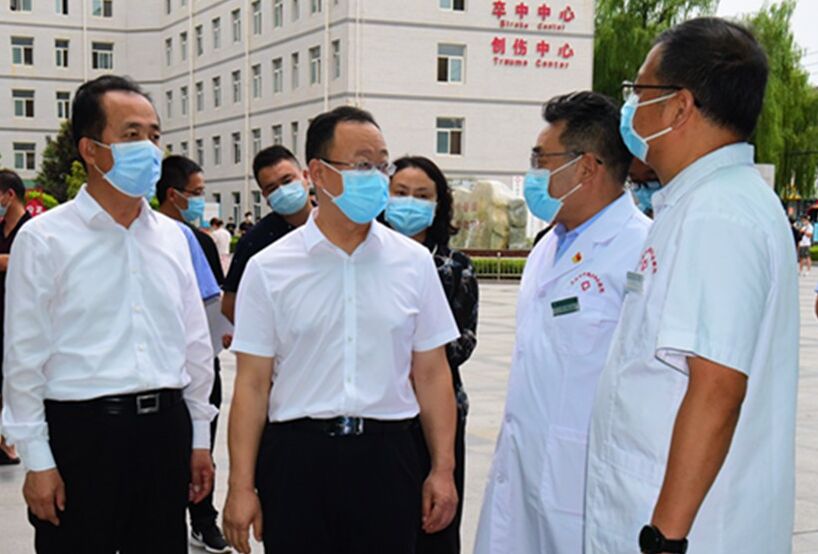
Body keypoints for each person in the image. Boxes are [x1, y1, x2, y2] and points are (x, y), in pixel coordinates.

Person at [585, 18, 797, 554]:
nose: (630, 107)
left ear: (679, 107)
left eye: (639, 91)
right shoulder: (704, 203)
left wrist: (665, 539)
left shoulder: (717, 214)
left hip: (686, 530)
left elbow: (717, 387)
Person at [222, 106, 461, 554]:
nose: (377, 178)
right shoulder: (269, 268)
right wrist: (240, 486)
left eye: (382, 165)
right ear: (318, 173)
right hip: (297, 461)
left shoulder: (413, 263)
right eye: (363, 165)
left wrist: (442, 470)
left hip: (388, 457)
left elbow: (432, 373)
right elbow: (252, 385)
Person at [1, 74, 217, 553]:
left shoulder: (173, 238)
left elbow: (195, 345)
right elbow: (23, 358)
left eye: (154, 135)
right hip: (82, 436)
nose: (150, 149)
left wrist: (199, 438)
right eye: (132, 135)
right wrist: (38, 459)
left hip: (164, 431)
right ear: (91, 150)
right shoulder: (45, 239)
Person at [474, 91, 650, 554]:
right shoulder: (548, 246)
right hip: (524, 467)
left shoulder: (643, 251)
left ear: (587, 167)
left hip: (587, 481)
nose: (534, 173)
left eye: (541, 160)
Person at [384, 156, 479, 554]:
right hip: (381, 414)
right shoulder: (368, 258)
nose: (410, 202)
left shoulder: (454, 267)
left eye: (422, 195)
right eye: (401, 193)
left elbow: (464, 339)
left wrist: (415, 353)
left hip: (437, 410)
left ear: (439, 204)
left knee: (435, 522)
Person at [156, 156, 230, 553]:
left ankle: (202, 518)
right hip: (161, 368)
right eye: (197, 193)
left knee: (203, 440)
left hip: (202, 357)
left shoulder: (198, 240)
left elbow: (213, 298)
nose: (202, 200)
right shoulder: (152, 236)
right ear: (174, 194)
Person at [221, 145, 311, 323]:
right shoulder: (255, 241)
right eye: (272, 188)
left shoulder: (335, 224)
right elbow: (230, 305)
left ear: (306, 176)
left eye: (287, 181)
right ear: (265, 197)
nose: (282, 191)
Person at [0, 169, 32, 466]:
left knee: (15, 380)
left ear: (9, 196)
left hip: (22, 316)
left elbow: (23, 261)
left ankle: (9, 443)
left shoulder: (31, 230)